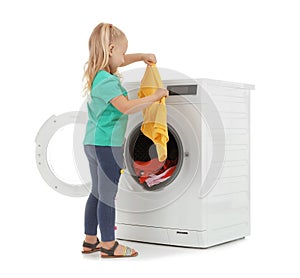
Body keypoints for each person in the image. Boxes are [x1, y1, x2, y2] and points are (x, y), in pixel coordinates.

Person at [81, 22, 168, 258]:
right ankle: (109, 245)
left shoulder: (98, 74)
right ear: (110, 50)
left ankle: (90, 241)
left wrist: (141, 57)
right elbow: (127, 108)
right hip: (107, 146)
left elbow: (120, 60)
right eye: (121, 52)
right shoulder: (109, 82)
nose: (123, 58)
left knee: (97, 192)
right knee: (108, 194)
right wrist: (155, 96)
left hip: (92, 142)